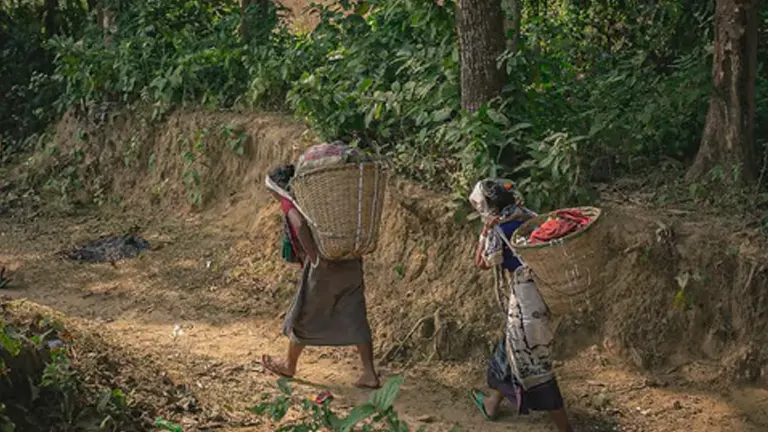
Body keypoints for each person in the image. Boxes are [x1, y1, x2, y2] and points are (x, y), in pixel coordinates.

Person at [468, 178, 574, 432]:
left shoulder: (497, 228)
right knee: (510, 349)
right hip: (545, 292)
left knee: (534, 364)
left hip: (528, 302)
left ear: (488, 207)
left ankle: (564, 427)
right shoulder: (527, 215)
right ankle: (493, 403)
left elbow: (481, 263)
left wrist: (484, 232)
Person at [261, 164, 380, 389]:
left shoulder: (290, 202)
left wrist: (314, 258)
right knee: (355, 312)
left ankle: (289, 365)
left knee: (303, 314)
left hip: (324, 266)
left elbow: (299, 223)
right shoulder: (319, 200)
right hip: (349, 259)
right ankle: (369, 373)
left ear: (279, 188)